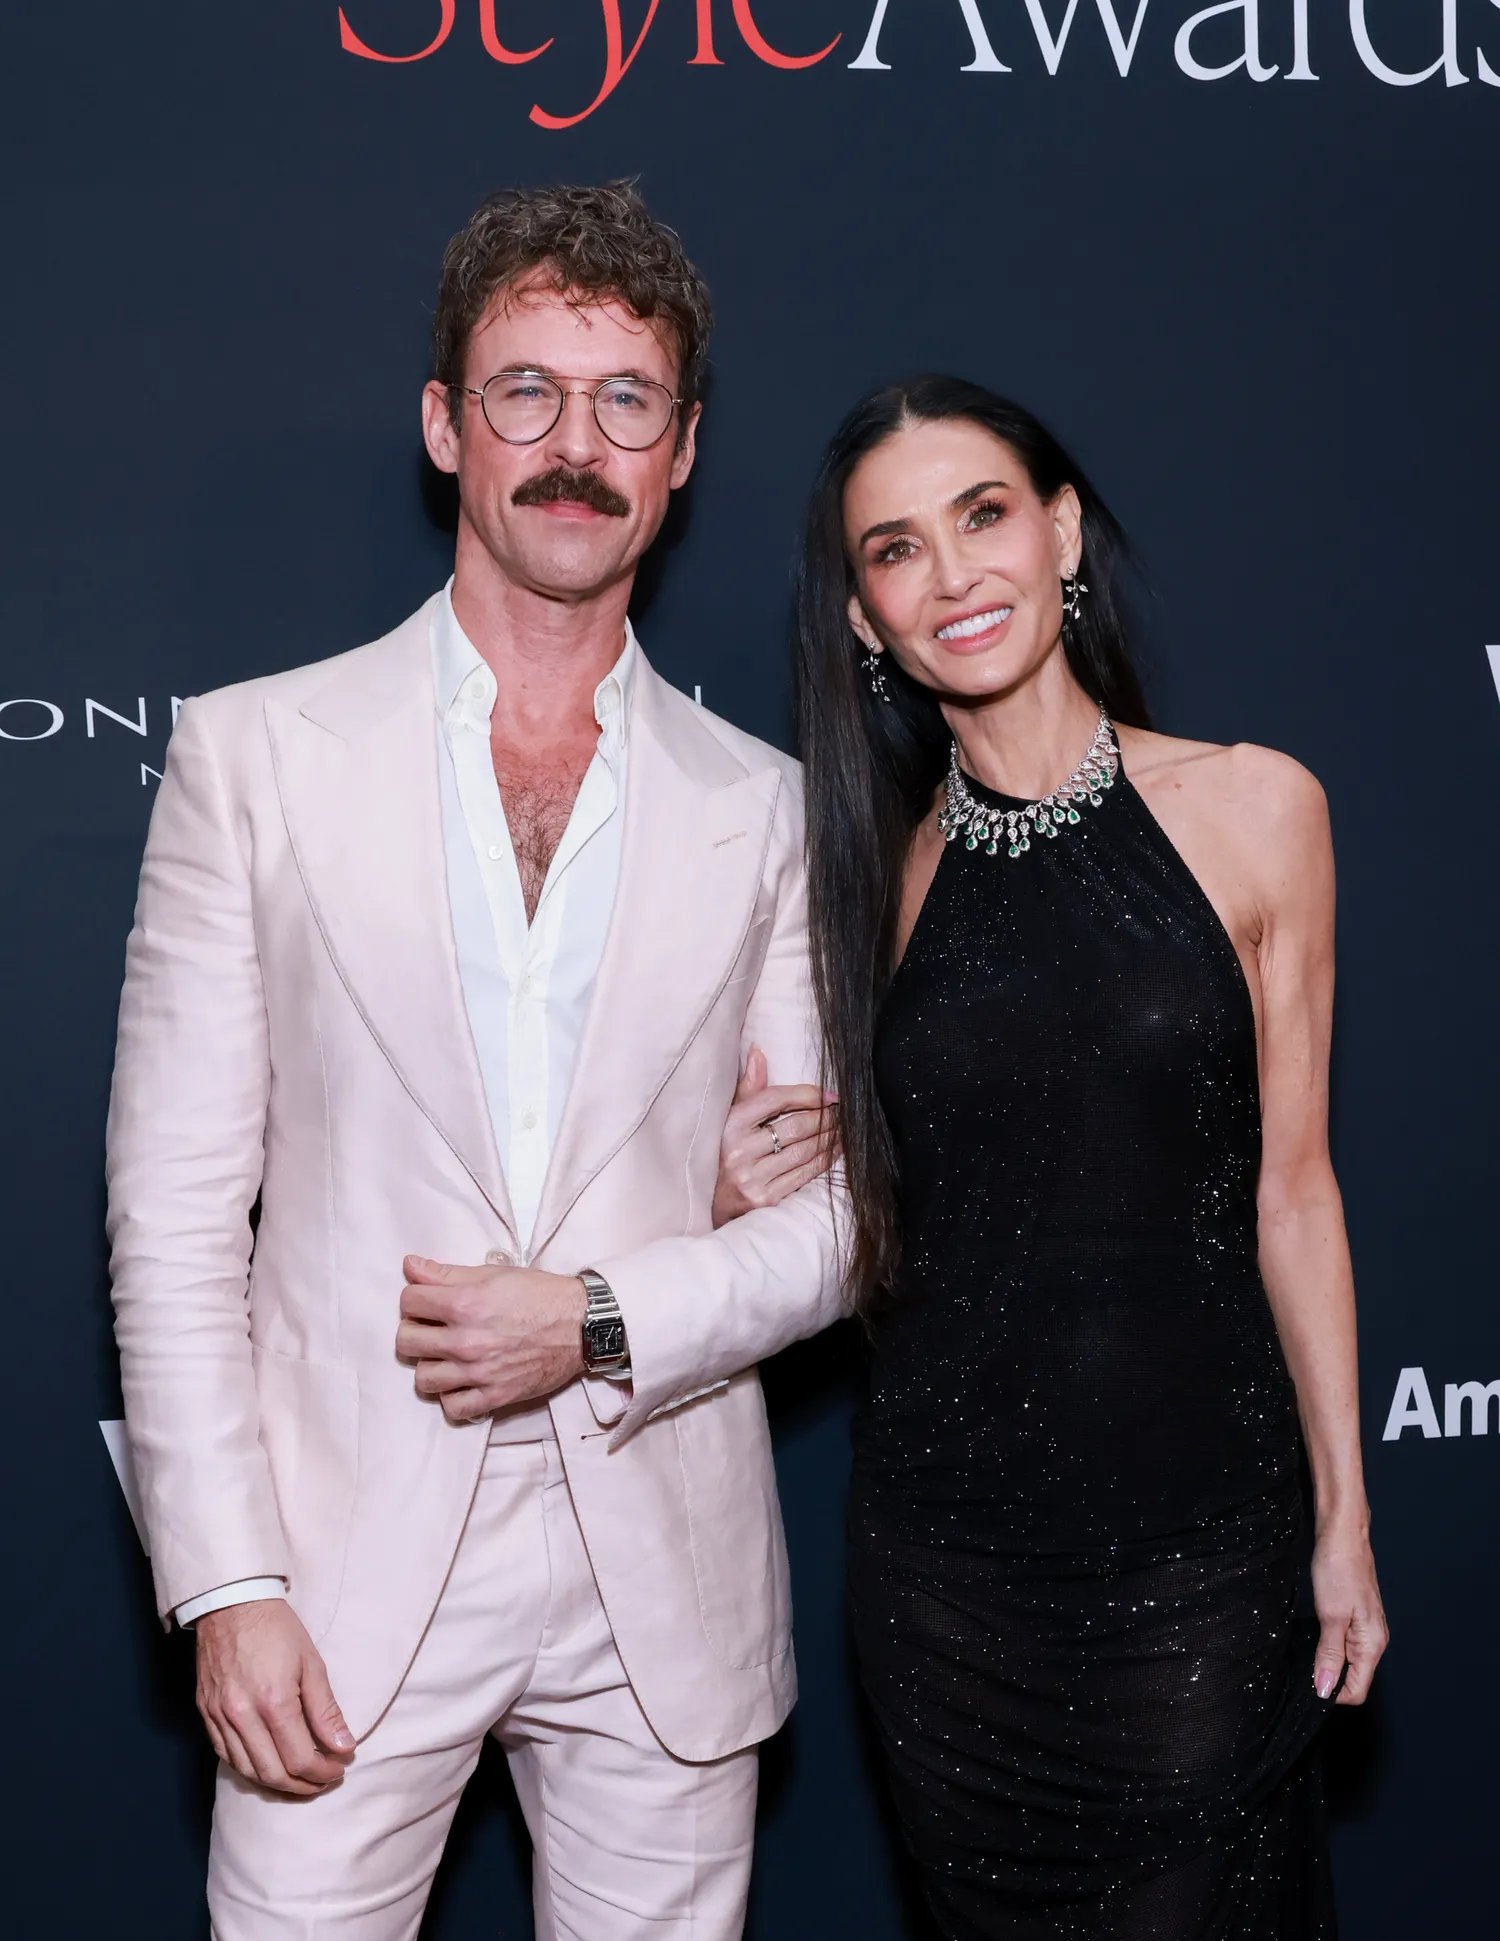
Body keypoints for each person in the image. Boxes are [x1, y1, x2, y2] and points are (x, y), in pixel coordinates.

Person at [105, 181, 844, 1939]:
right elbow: (176, 1212)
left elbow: (837, 1228)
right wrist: (225, 1579)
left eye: (626, 400)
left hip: (662, 1564)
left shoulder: (767, 809)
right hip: (334, 1576)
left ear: (681, 452)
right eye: (528, 392)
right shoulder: (254, 759)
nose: (575, 447)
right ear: (447, 424)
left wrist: (597, 1313)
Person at [734, 374, 1388, 1936]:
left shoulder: (1258, 807)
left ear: (1063, 530)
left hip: (1201, 1559)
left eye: (983, 516)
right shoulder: (863, 888)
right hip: (949, 1587)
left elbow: (1295, 1188)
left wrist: (1346, 1513)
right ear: (865, 618)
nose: (953, 575)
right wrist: (748, 1183)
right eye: (896, 550)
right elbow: (870, 1219)